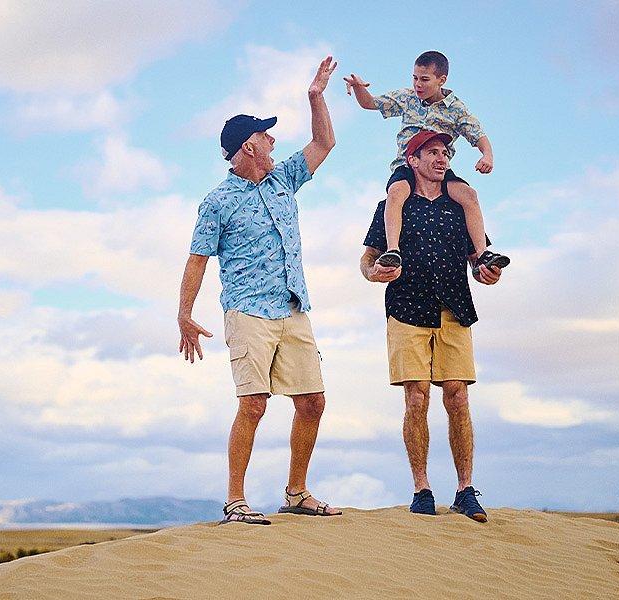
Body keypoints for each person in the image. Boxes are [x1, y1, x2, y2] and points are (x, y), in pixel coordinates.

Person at [178, 56, 343, 525]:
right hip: (247, 313)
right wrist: (184, 313)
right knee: (253, 404)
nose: (274, 140)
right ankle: (235, 502)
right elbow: (197, 259)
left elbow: (324, 141)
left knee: (313, 401)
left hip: (293, 308)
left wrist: (317, 96)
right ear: (249, 146)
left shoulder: (284, 178)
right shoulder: (217, 201)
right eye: (267, 135)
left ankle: (296, 492)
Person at [360, 130, 503, 522]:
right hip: (406, 308)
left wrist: (486, 272)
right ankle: (421, 488)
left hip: (454, 308)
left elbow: (479, 259)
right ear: (414, 161)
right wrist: (375, 273)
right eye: (432, 153)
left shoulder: (461, 206)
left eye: (445, 152)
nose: (442, 158)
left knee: (457, 397)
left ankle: (464, 490)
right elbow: (368, 258)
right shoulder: (392, 205)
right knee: (416, 397)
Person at [345, 50, 509, 276]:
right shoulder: (407, 98)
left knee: (469, 195)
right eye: (414, 78)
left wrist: (487, 155)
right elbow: (370, 104)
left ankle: (482, 253)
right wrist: (358, 88)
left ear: (441, 80)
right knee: (396, 191)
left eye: (424, 79)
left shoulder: (456, 109)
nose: (417, 85)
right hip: (407, 164)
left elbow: (478, 135)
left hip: (440, 169)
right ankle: (393, 249)